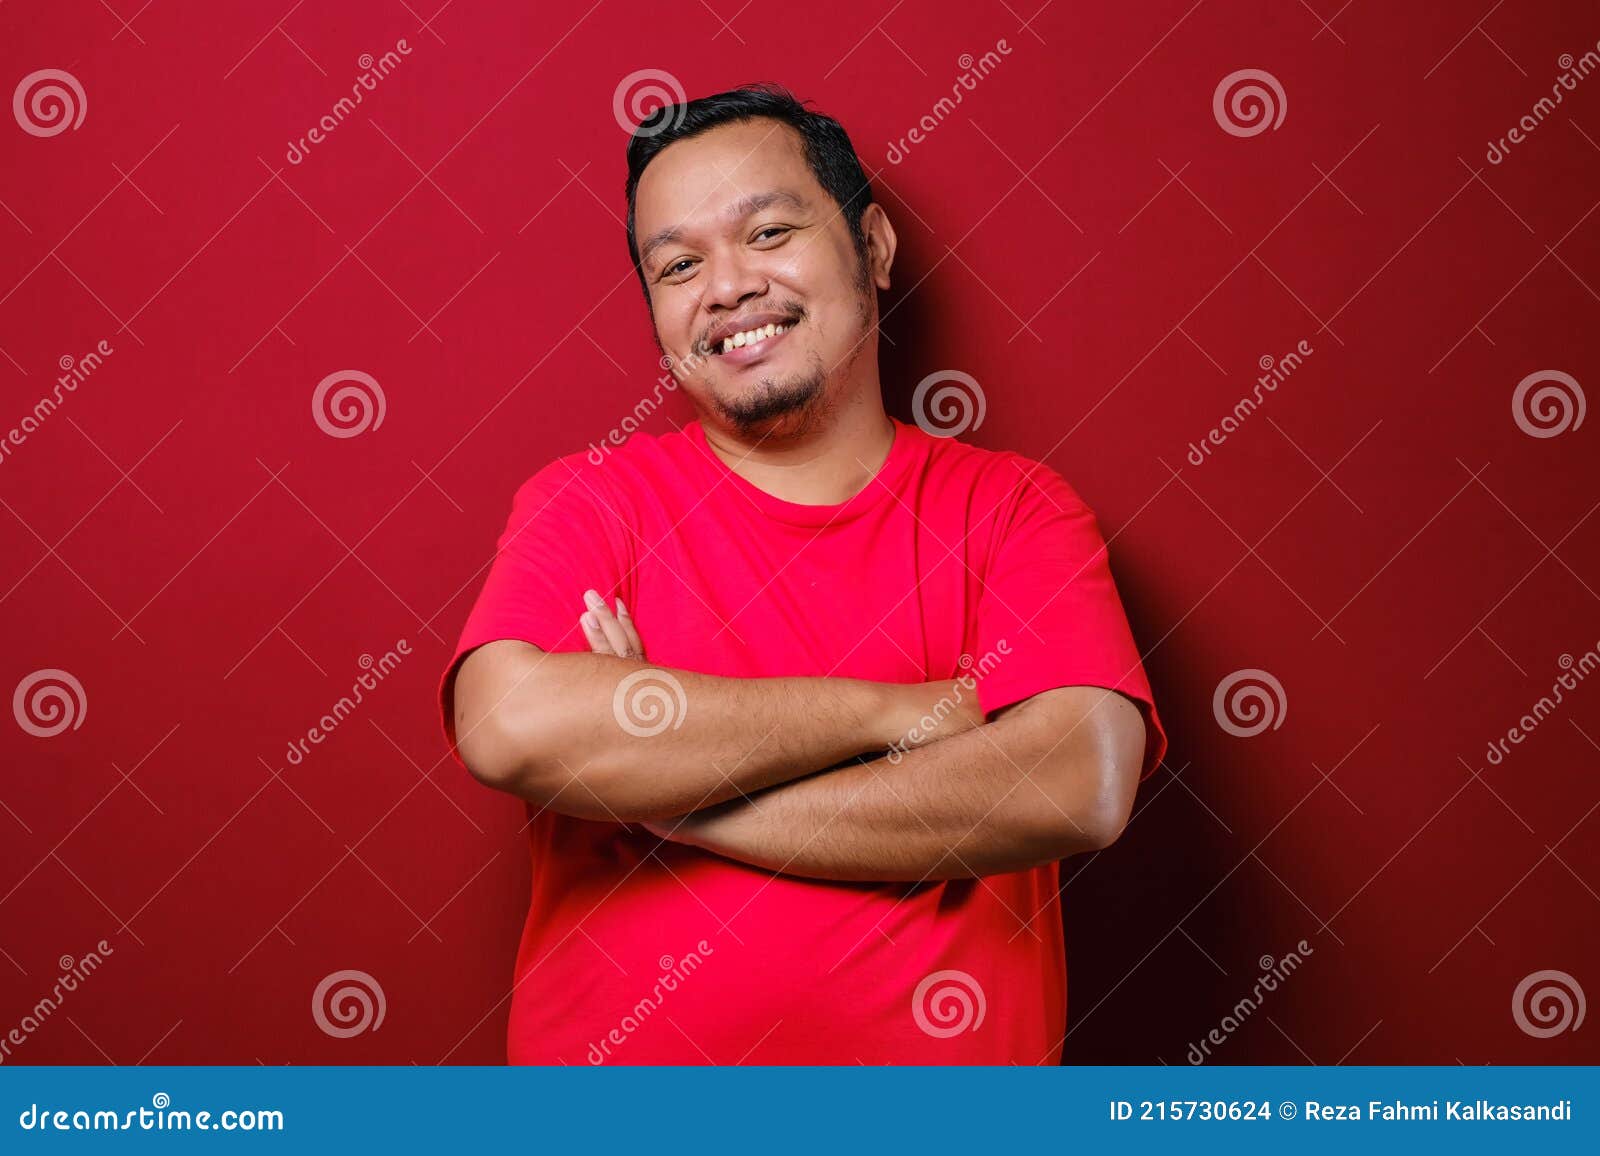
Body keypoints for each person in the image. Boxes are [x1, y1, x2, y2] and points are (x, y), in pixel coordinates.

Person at [438, 83, 1168, 1065]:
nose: (727, 286)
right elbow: (509, 725)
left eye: (769, 232)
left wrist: (665, 797)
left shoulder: (1014, 511)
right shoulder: (593, 503)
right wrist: (898, 718)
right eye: (679, 265)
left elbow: (1075, 782)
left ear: (871, 247)